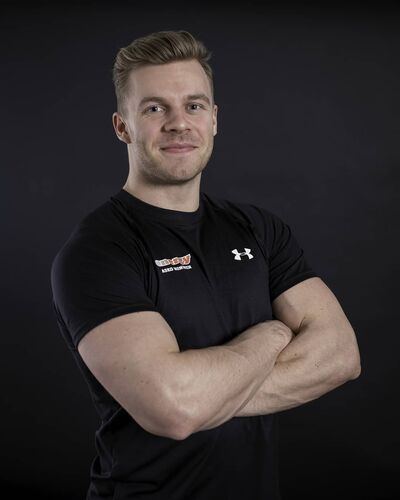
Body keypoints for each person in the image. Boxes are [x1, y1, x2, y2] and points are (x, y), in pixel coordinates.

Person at [50, 30, 361, 500]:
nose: (179, 124)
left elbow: (341, 355)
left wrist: (205, 397)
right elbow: (174, 410)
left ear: (214, 119)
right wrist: (271, 335)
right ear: (122, 126)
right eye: (154, 109)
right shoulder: (97, 252)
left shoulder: (258, 229)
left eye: (193, 106)